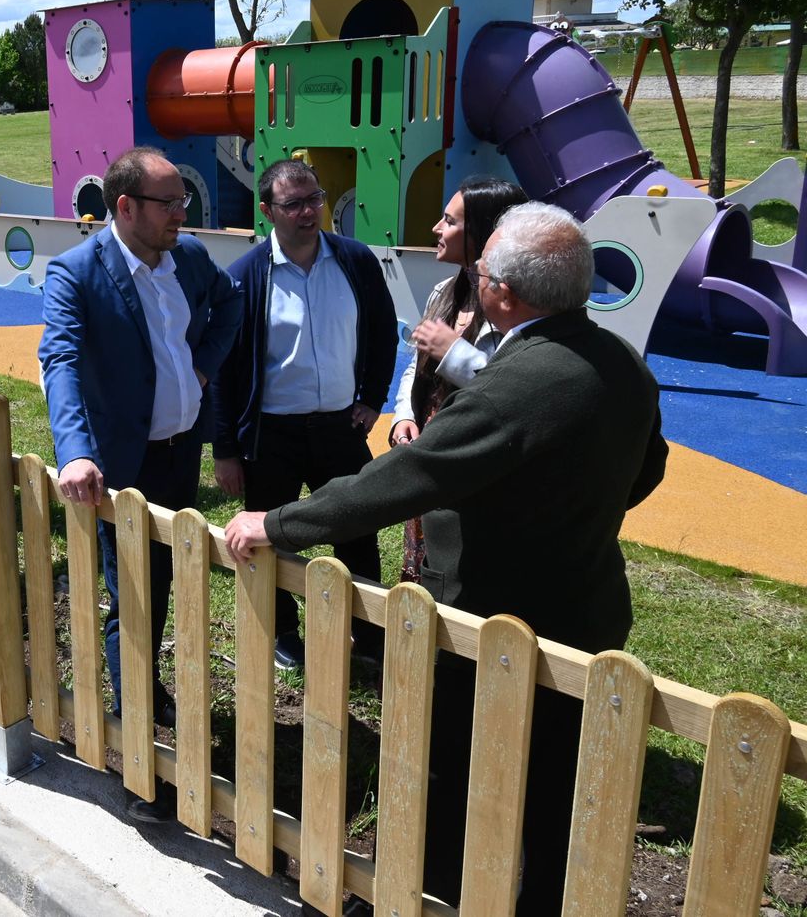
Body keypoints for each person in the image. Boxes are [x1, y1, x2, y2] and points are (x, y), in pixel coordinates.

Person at [223, 203, 667, 914]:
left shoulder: (512, 387)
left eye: (484, 269)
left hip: (492, 622)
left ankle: (424, 898)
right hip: (589, 612)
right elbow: (646, 472)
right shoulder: (622, 363)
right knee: (557, 785)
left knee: (454, 776)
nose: (477, 277)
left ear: (503, 296)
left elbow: (400, 481)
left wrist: (277, 521)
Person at [38, 145, 241, 822]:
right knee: (133, 598)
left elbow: (228, 304)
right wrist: (74, 450)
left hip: (180, 457)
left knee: (167, 583)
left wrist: (204, 365)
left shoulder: (187, 259)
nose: (182, 214)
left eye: (183, 202)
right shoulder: (77, 272)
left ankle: (147, 687)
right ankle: (138, 761)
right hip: (123, 465)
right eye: (169, 204)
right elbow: (60, 358)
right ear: (124, 208)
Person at [210, 158, 397, 669]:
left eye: (314, 198)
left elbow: (383, 333)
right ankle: (284, 634)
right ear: (268, 210)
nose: (309, 211)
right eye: (293, 204)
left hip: (340, 427)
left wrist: (373, 398)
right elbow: (223, 372)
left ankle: (371, 638)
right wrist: (225, 449)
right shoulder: (245, 277)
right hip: (273, 435)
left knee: (357, 531)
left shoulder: (355, 261)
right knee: (271, 538)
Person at [386, 177, 528, 580]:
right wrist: (403, 416)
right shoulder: (444, 292)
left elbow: (517, 391)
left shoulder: (513, 304)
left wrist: (454, 353)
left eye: (449, 221)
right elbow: (418, 367)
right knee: (424, 567)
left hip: (478, 460)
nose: (436, 228)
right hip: (434, 453)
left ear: (483, 232)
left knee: (464, 568)